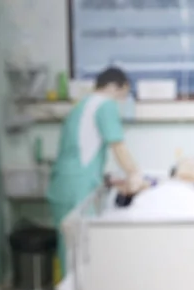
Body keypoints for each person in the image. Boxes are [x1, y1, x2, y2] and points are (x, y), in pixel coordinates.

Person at [47, 67, 147, 276]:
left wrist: (108, 178)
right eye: (124, 94)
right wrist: (135, 174)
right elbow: (117, 145)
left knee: (68, 246)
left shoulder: (81, 106)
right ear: (118, 87)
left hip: (63, 184)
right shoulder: (105, 104)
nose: (123, 101)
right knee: (81, 245)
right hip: (79, 186)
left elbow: (82, 149)